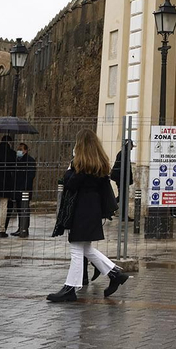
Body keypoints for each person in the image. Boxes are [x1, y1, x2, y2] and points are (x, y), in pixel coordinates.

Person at [47, 129, 129, 304]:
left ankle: (70, 288)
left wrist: (70, 168)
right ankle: (115, 274)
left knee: (77, 250)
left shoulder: (81, 166)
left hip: (81, 211)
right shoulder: (98, 163)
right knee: (85, 249)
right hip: (93, 210)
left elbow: (70, 184)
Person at [0, 135, 17, 237]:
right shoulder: (12, 153)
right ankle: (2, 230)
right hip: (5, 182)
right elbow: (14, 166)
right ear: (9, 143)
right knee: (3, 206)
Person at [13, 142, 37, 237]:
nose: (19, 151)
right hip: (17, 188)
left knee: (25, 209)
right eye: (18, 149)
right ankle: (20, 227)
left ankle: (24, 228)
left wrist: (25, 187)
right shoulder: (17, 160)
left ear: (25, 150)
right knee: (19, 209)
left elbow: (31, 175)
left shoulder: (30, 160)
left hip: (25, 189)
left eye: (21, 149)